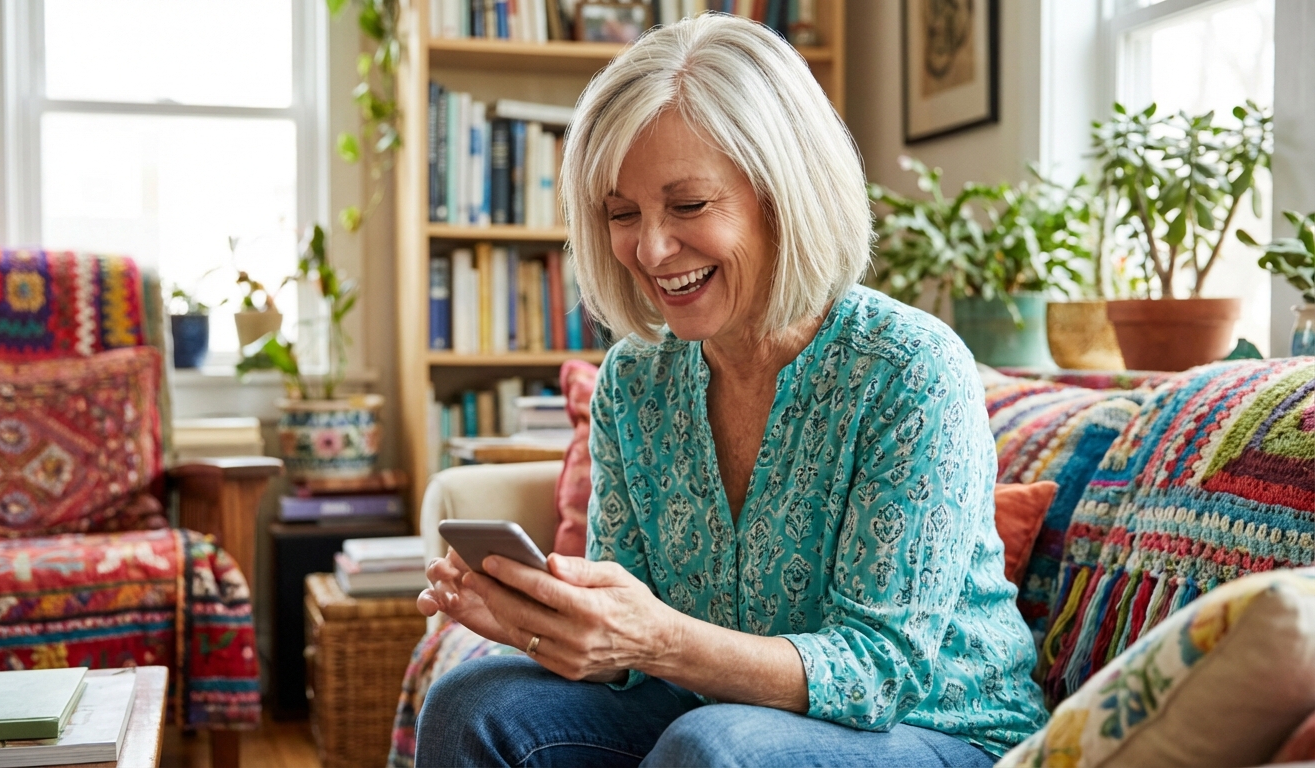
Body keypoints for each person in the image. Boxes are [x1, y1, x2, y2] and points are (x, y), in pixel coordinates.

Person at [415, 13, 1047, 767]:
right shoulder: (634, 381)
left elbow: (882, 672)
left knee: (716, 747)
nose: (649, 249)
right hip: (714, 710)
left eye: (688, 205)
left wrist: (655, 637)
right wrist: (541, 621)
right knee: (473, 704)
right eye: (623, 213)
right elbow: (627, 654)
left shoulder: (909, 368)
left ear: (784, 193)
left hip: (938, 728)